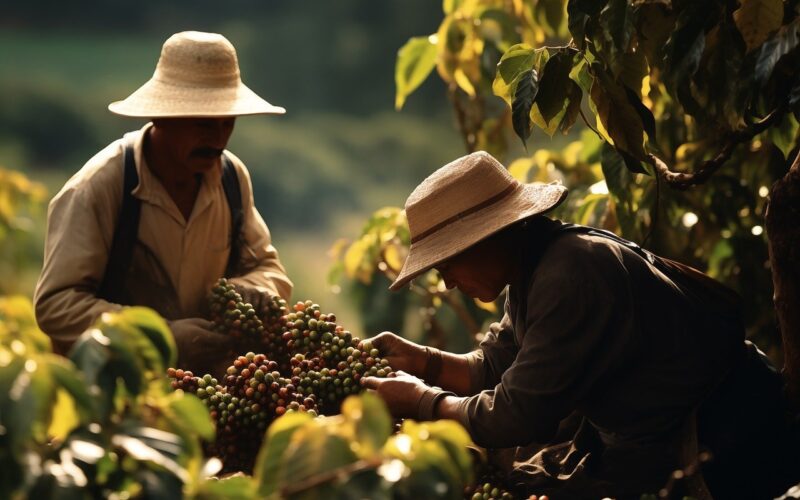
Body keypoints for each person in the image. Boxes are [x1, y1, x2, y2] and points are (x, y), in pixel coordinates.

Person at [362, 151, 799, 499]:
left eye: (449, 264)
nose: (450, 282)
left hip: (731, 447)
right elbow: (495, 365)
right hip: (678, 442)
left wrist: (423, 403)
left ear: (489, 237)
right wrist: (424, 360)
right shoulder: (533, 271)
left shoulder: (571, 273)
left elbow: (517, 414)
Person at [34, 31, 292, 377]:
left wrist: (256, 289)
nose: (217, 139)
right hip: (115, 395)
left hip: (203, 393)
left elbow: (267, 267)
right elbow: (56, 306)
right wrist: (161, 334)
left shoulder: (231, 178)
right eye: (203, 125)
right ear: (161, 117)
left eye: (227, 124)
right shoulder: (100, 187)